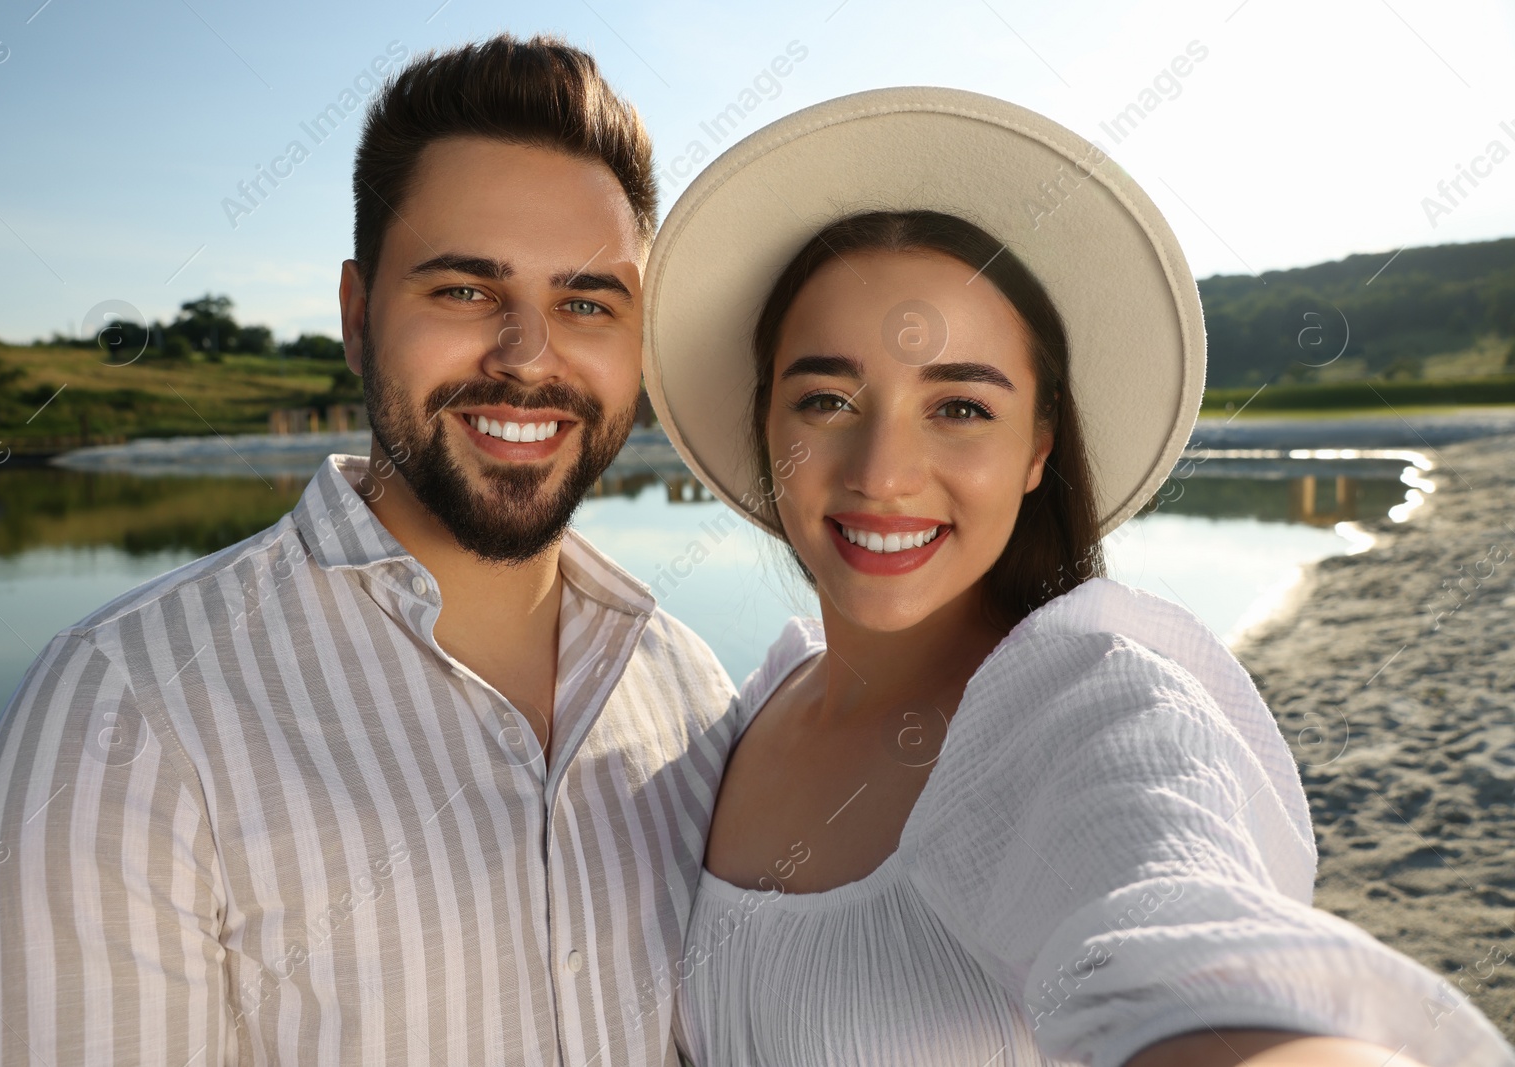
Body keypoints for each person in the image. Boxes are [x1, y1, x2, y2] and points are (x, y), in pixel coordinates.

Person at [641, 88, 1515, 1066]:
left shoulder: (1087, 705)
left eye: (960, 407)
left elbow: (1188, 955)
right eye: (827, 398)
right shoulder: (748, 709)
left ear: (1036, 447)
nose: (881, 472)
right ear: (769, 430)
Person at [0, 36, 741, 1066]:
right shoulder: (124, 712)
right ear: (356, 316)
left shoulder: (696, 695)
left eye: (585, 301)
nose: (528, 355)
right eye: (463, 289)